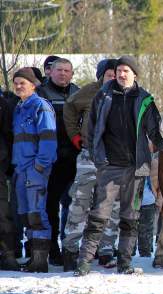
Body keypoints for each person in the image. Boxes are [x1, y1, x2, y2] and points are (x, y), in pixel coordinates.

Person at [75, 55, 163, 276]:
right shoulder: (102, 96)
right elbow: (91, 129)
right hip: (109, 166)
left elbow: (154, 130)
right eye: (119, 70)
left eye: (126, 71)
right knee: (98, 216)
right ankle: (83, 263)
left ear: (135, 75)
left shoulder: (145, 100)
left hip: (136, 168)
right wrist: (96, 156)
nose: (122, 74)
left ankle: (124, 262)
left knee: (130, 218)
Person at [61, 59, 119, 271]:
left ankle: (105, 250)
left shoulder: (125, 94)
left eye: (117, 74)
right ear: (102, 76)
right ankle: (70, 249)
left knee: (111, 205)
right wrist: (75, 136)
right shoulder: (89, 92)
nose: (114, 78)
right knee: (80, 202)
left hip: (115, 159)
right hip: (90, 156)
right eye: (110, 75)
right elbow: (69, 107)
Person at [12, 68, 57, 272]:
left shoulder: (41, 106)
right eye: (16, 82)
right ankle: (32, 257)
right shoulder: (19, 108)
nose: (19, 86)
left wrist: (39, 166)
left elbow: (48, 140)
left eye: (23, 82)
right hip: (21, 169)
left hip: (35, 169)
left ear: (33, 85)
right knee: (26, 215)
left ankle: (40, 262)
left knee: (37, 214)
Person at [37, 57, 80, 266]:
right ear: (50, 72)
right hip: (52, 160)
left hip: (76, 156)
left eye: (67, 70)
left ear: (72, 74)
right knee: (50, 206)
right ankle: (52, 249)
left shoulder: (78, 92)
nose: (63, 74)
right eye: (59, 70)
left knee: (77, 206)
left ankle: (72, 249)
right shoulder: (41, 94)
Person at [0, 94, 20, 271]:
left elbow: (9, 134)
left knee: (3, 213)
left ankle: (8, 255)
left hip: (1, 164)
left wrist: (8, 164)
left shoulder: (4, 104)